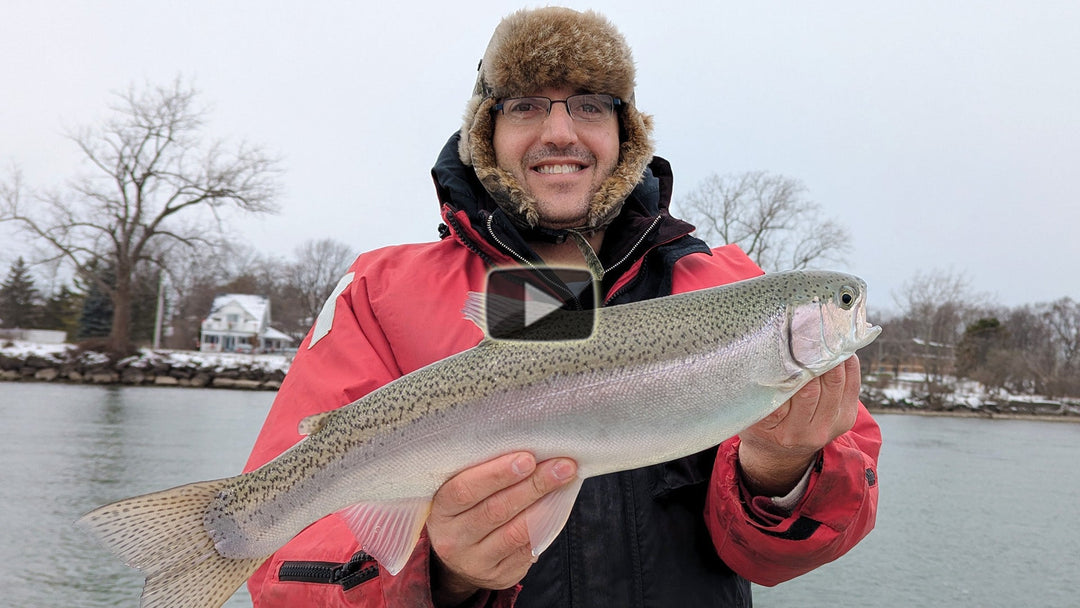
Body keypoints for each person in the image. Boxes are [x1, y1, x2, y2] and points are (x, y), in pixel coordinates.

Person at [243, 7, 880, 607]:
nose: (559, 131)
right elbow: (288, 574)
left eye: (589, 105)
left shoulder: (731, 289)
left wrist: (781, 470)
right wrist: (440, 574)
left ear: (623, 134)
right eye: (525, 106)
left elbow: (790, 553)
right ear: (486, 132)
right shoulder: (379, 292)